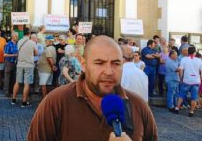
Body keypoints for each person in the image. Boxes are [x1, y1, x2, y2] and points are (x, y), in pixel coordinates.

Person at [28, 36, 158, 141]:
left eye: (116, 63)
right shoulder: (56, 102)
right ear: (83, 65)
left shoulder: (138, 105)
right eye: (99, 63)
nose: (109, 71)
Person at [12, 27, 38, 107]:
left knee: (17, 82)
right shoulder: (32, 43)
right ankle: (24, 102)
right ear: (29, 34)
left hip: (20, 64)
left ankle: (13, 100)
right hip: (29, 65)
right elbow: (36, 53)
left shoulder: (19, 41)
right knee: (27, 83)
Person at [174, 45, 202, 117]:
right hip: (196, 81)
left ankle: (177, 108)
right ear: (195, 52)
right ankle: (191, 112)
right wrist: (200, 79)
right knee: (194, 97)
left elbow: (181, 70)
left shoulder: (184, 59)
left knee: (181, 95)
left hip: (186, 80)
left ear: (188, 52)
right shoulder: (199, 60)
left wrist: (181, 79)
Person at [3, 32, 18, 96]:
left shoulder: (17, 44)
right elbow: (5, 55)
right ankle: (6, 91)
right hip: (9, 62)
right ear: (12, 37)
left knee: (13, 78)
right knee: (7, 77)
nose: (17, 37)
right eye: (16, 36)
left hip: (15, 63)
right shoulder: (8, 44)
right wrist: (14, 55)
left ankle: (12, 91)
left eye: (17, 36)